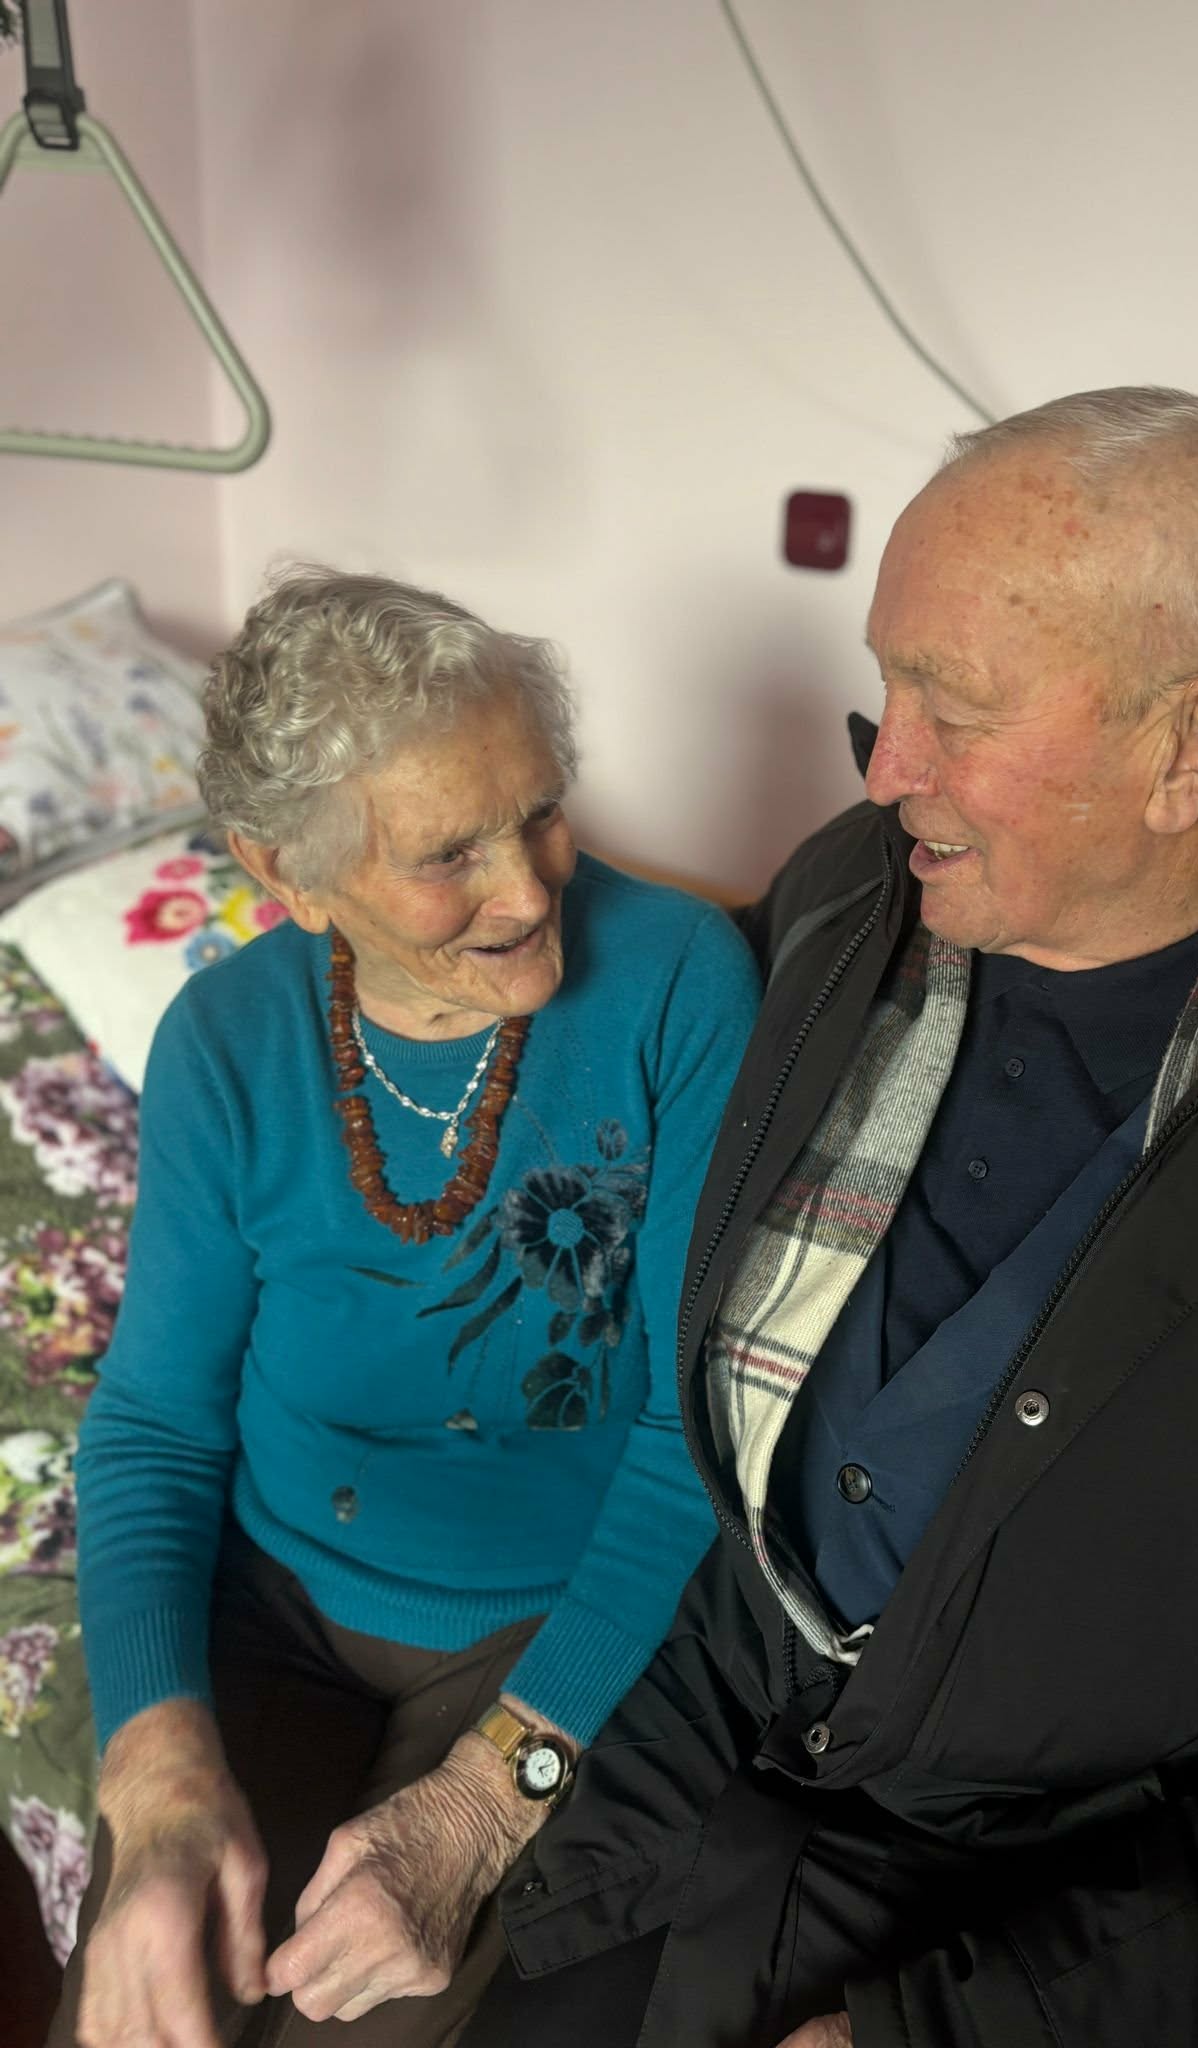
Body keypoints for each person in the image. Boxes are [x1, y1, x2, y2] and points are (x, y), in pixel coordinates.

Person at [469, 388, 1198, 2048]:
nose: (885, 766)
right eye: (887, 683)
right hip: (702, 1788)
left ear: (1193, 750)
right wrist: (506, 1792)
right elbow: (724, 1474)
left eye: (952, 710)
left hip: (1076, 1926)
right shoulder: (856, 894)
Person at [52, 569, 760, 2048]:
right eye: (451, 853)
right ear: (289, 874)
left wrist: (494, 1794)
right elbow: (156, 1425)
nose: (532, 887)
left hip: (541, 1619)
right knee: (153, 1988)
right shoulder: (226, 1043)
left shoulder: (679, 984)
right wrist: (156, 1772)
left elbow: (693, 1430)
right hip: (276, 1597)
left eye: (541, 810)